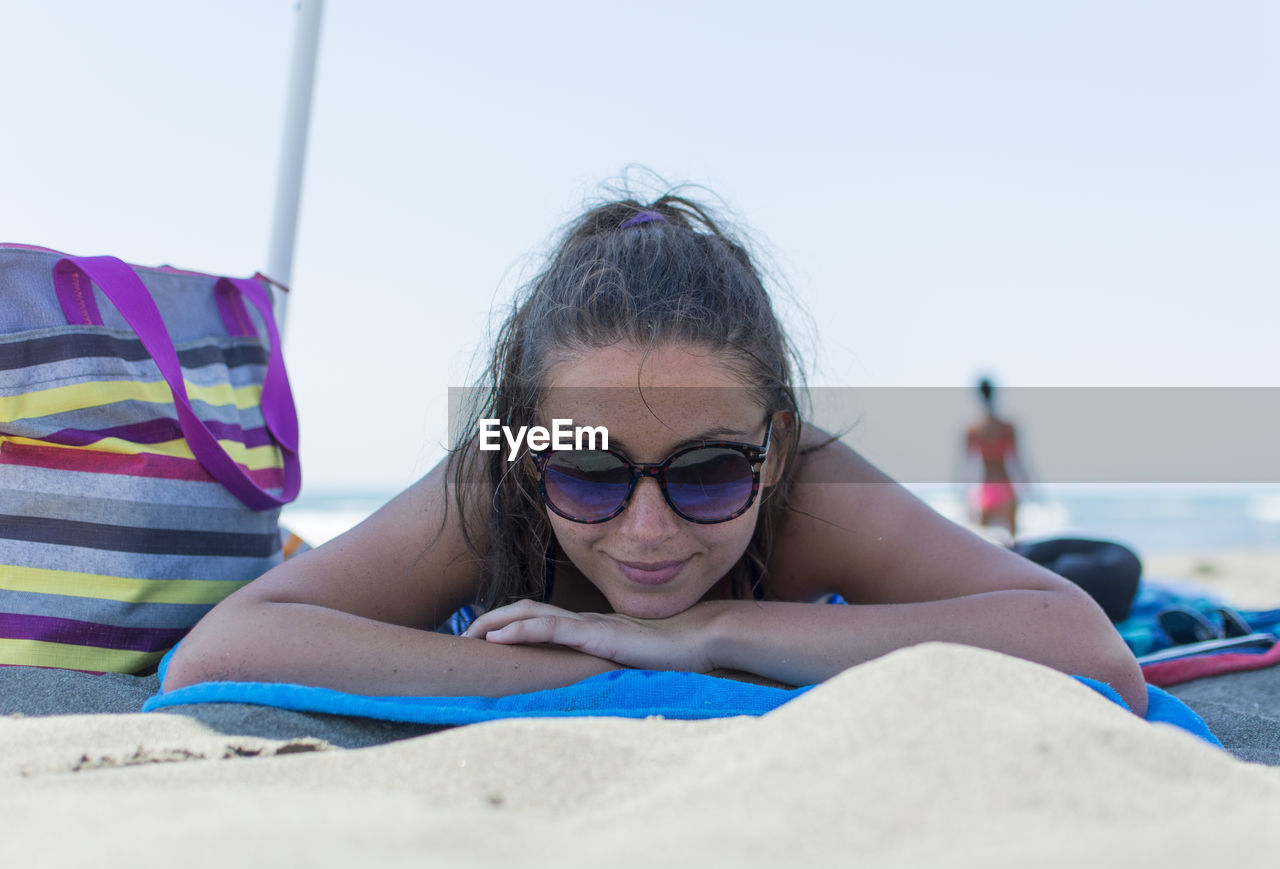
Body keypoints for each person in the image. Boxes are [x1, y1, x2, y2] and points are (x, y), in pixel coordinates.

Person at [164, 191, 1146, 714]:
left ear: (774, 448)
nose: (646, 529)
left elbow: (1088, 647)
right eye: (587, 469)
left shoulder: (811, 487)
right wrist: (600, 664)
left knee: (1100, 581)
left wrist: (704, 632)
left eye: (709, 471)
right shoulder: (489, 477)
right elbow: (223, 649)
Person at [965, 377, 1025, 540]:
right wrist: (1028, 486)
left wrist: (967, 498)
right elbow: (1018, 461)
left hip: (986, 489)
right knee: (1014, 545)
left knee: (983, 545)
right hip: (1006, 486)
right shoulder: (1007, 427)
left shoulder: (974, 429)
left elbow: (966, 467)